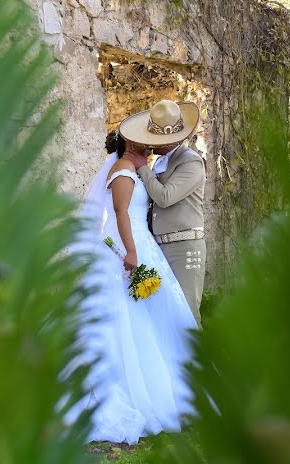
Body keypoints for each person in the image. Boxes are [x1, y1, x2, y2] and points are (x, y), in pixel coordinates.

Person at [66, 129, 197, 445]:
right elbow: (122, 212)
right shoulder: (123, 170)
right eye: (143, 143)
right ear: (131, 145)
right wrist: (131, 252)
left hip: (141, 243)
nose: (150, 148)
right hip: (129, 248)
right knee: (126, 317)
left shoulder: (138, 170)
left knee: (150, 315)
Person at [119, 100, 207, 326]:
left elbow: (165, 197)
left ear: (171, 141)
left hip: (184, 248)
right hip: (159, 247)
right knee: (165, 314)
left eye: (155, 140)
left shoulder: (192, 163)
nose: (149, 144)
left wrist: (142, 167)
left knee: (186, 316)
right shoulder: (161, 162)